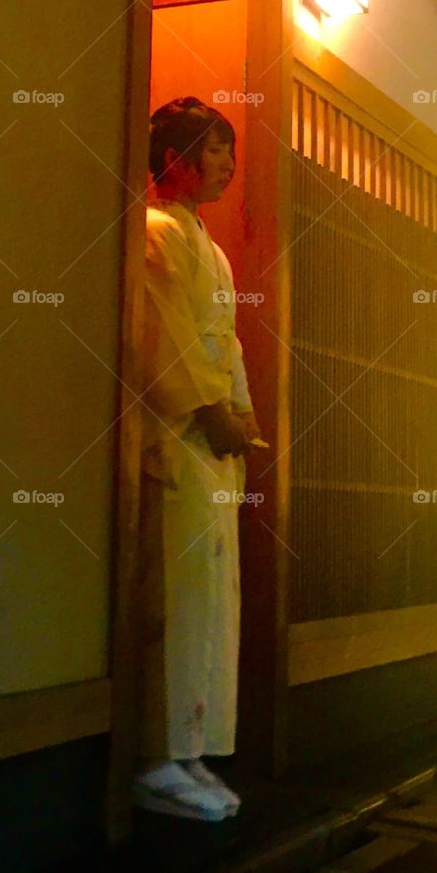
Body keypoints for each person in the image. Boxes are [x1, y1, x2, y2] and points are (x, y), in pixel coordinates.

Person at [133, 96, 261, 823]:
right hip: (178, 435)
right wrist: (212, 411)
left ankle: (192, 749)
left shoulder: (209, 247)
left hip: (211, 441)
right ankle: (157, 754)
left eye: (229, 151)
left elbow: (226, 342)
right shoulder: (155, 232)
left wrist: (241, 413)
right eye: (214, 150)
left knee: (212, 597)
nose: (227, 165)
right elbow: (165, 332)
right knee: (178, 596)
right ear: (173, 159)